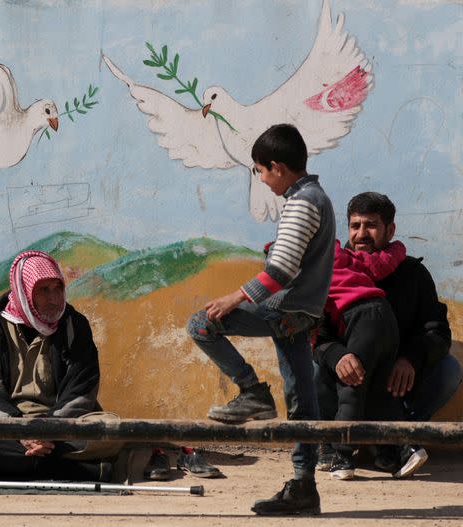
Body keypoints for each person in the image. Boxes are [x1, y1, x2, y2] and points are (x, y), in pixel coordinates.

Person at [187, 124, 335, 515]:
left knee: (202, 324)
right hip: (302, 312)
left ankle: (252, 390)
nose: (261, 179)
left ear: (277, 167)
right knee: (303, 400)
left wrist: (235, 298)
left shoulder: (303, 202)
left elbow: (281, 269)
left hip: (287, 307)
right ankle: (305, 486)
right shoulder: (313, 197)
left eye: (260, 171)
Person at [314, 192, 461, 478]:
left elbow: (437, 331)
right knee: (313, 368)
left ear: (390, 230)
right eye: (354, 226)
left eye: (370, 225)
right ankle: (334, 442)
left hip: (396, 384)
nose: (361, 234)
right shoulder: (332, 269)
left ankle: (393, 438)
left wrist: (410, 359)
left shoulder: (413, 274)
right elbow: (317, 335)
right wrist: (337, 356)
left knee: (449, 370)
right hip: (347, 376)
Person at [0, 250, 119, 482]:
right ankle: (83, 470)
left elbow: (81, 390)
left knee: (113, 429)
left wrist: (47, 430)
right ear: (24, 292)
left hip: (62, 424)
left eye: (58, 288)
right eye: (44, 290)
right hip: (7, 426)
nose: (54, 298)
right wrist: (19, 431)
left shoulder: (74, 325)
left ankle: (13, 466)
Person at [314, 238, 407, 480]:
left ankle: (342, 456)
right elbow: (380, 264)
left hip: (357, 317)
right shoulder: (343, 256)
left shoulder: (304, 266)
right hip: (384, 315)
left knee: (351, 386)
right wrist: (398, 247)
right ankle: (407, 449)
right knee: (380, 389)